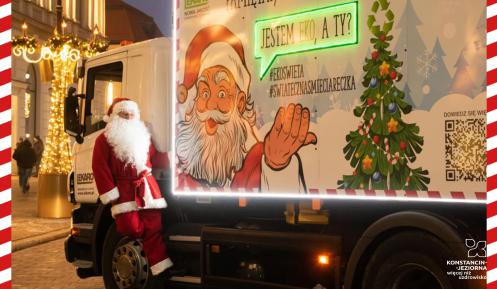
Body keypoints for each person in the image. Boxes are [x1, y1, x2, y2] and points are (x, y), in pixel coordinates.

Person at [176, 25, 317, 193]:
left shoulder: (256, 159)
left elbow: (276, 192)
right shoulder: (185, 164)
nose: (211, 106)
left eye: (221, 93)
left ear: (240, 102)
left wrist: (277, 166)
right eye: (205, 93)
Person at [92, 98, 172, 276]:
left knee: (154, 228)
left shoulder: (143, 137)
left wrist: (173, 160)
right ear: (114, 117)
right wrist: (109, 192)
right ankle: (146, 254)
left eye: (131, 115)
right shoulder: (103, 140)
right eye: (124, 114)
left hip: (147, 188)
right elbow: (99, 167)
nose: (128, 118)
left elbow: (156, 157)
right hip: (124, 192)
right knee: (131, 227)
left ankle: (160, 268)